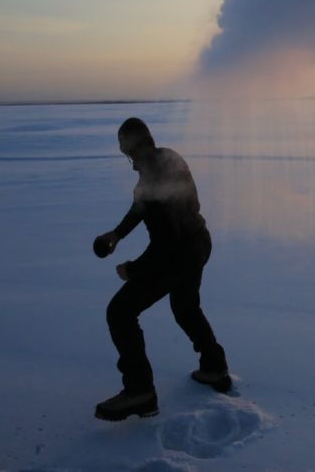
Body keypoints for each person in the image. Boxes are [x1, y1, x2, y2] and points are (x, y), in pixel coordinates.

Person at [91, 117, 231, 421]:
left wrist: (134, 269)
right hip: (198, 244)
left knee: (120, 312)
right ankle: (214, 367)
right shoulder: (168, 159)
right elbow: (143, 207)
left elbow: (169, 241)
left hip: (179, 252)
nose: (127, 160)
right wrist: (116, 234)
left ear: (134, 146)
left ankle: (139, 392)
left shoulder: (153, 175)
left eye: (125, 150)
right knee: (185, 307)